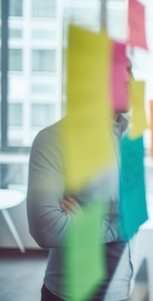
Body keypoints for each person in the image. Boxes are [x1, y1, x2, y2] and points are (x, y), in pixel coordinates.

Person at [27, 61, 133, 301]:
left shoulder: (128, 139)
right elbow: (46, 230)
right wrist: (119, 226)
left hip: (122, 291)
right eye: (121, 73)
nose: (131, 81)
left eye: (131, 71)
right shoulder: (53, 140)